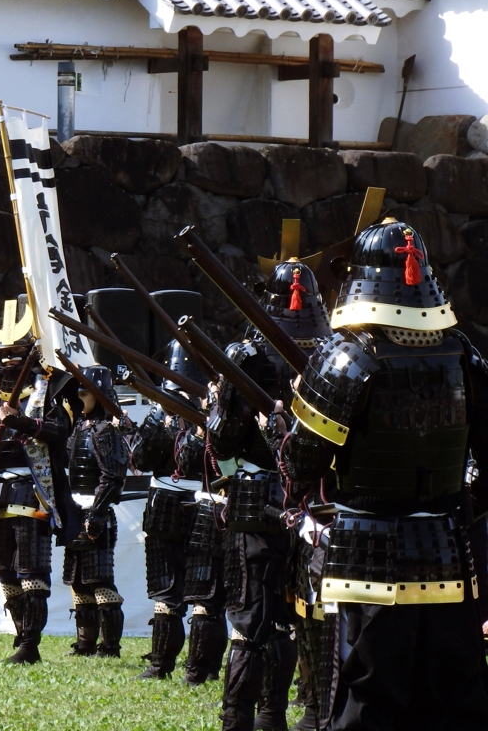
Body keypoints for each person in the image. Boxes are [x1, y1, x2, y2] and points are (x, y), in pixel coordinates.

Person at [269, 219, 488, 730]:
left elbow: (301, 465)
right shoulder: (463, 354)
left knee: (370, 704)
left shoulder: (347, 357)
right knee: (454, 703)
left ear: (365, 278)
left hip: (367, 556)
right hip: (448, 554)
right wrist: (452, 502)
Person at [207, 259, 331, 731]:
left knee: (256, 621)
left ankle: (247, 718)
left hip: (266, 500)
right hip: (305, 503)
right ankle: (270, 717)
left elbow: (221, 440)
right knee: (287, 615)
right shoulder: (335, 351)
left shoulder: (251, 355)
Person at [0, 334, 79, 664]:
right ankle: (19, 637)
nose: (11, 361)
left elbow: (60, 432)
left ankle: (31, 644)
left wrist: (22, 421)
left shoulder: (51, 385)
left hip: (34, 488)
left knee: (31, 569)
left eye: (17, 354)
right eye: (5, 354)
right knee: (4, 569)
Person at [134, 340, 227, 684]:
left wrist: (201, 425)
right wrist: (157, 419)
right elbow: (141, 460)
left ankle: (200, 670)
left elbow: (194, 462)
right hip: (163, 506)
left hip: (203, 506)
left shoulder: (215, 417)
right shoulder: (163, 416)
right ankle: (160, 664)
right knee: (165, 592)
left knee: (205, 595)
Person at [64, 365, 127, 657]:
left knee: (100, 582)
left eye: (84, 390)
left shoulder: (105, 430)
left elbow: (112, 477)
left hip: (95, 513)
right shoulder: (80, 426)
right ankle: (86, 644)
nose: (79, 395)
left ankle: (109, 647)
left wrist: (98, 514)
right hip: (76, 511)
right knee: (78, 582)